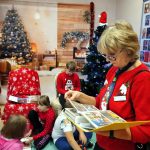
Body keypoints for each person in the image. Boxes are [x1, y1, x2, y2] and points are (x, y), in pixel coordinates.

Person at [65, 21, 150, 150]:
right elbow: (101, 102)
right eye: (106, 55)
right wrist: (81, 96)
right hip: (102, 144)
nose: (108, 60)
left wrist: (106, 131)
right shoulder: (114, 69)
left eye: (112, 55)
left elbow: (146, 131)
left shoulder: (142, 79)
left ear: (128, 50)